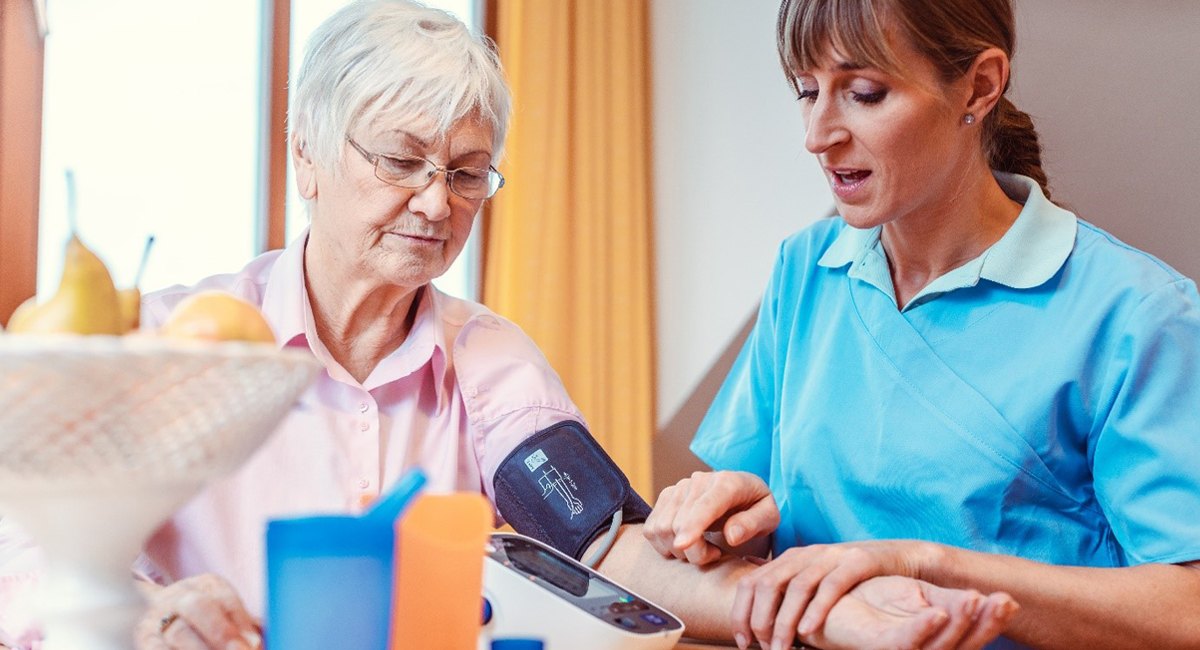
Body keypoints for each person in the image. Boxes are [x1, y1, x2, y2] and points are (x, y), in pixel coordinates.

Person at [0, 2, 1015, 650]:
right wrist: (144, 617)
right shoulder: (177, 342)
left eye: (467, 170)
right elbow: (27, 540)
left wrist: (836, 615)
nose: (438, 201)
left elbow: (608, 545)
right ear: (305, 154)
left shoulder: (487, 357)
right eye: (401, 160)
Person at [642, 0, 1200, 649]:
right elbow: (764, 526)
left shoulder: (1136, 312)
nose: (818, 133)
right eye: (806, 91)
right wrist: (725, 518)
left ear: (979, 86)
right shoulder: (806, 269)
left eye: (864, 93)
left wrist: (929, 565)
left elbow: (1187, 606)